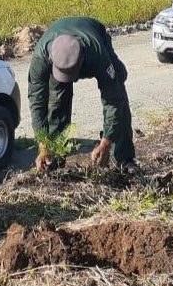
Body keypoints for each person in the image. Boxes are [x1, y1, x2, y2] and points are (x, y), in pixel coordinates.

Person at [28, 16, 137, 172]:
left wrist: (107, 141)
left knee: (118, 89)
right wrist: (43, 143)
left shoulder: (97, 53)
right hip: (58, 45)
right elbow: (36, 101)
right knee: (57, 100)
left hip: (95, 34)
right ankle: (54, 157)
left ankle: (124, 159)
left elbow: (113, 100)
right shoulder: (41, 58)